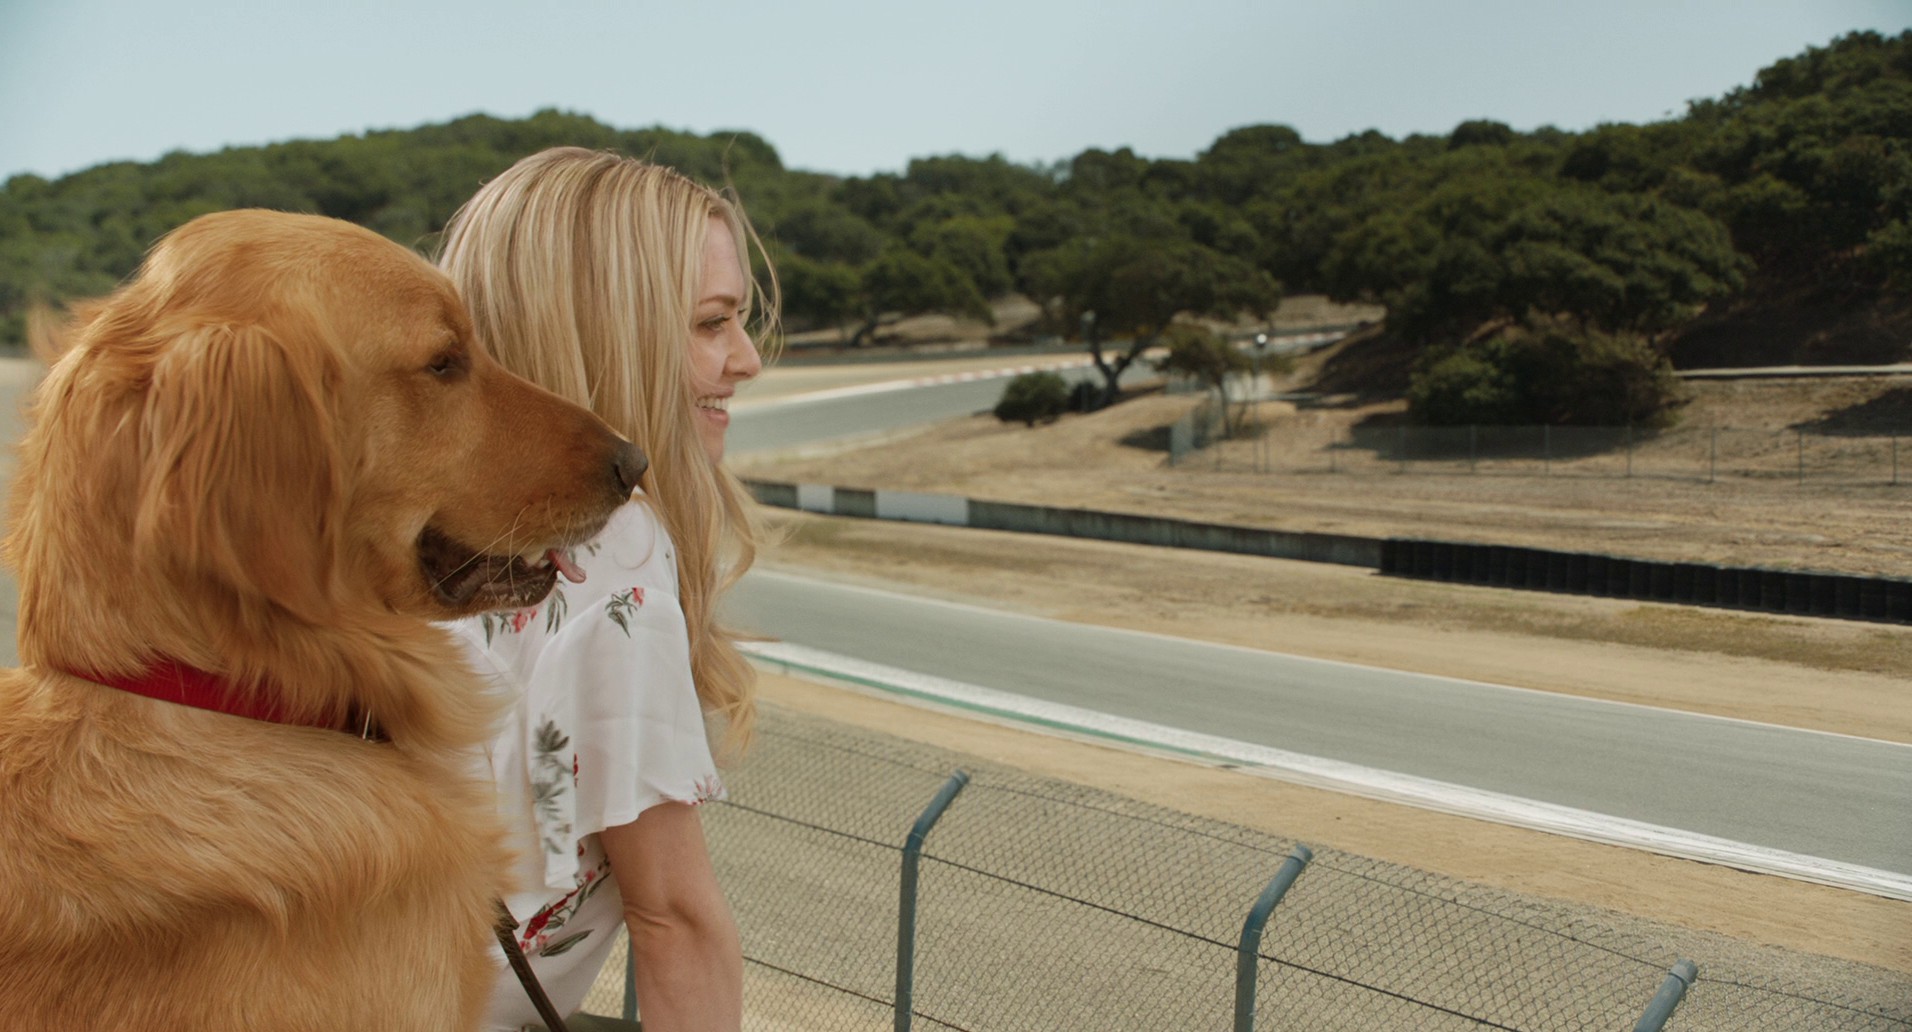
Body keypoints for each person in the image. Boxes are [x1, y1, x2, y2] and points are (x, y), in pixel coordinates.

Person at [436, 146, 776, 1032]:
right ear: (608, 332)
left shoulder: (432, 528)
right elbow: (677, 922)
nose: (746, 359)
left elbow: (545, 785)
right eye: (711, 323)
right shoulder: (610, 546)